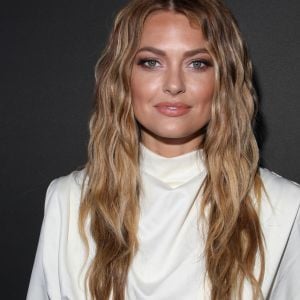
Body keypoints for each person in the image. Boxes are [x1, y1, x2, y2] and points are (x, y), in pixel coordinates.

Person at [26, 0, 300, 299]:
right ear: (122, 76)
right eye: (151, 62)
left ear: (224, 79)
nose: (173, 84)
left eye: (198, 63)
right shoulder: (68, 200)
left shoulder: (284, 207)